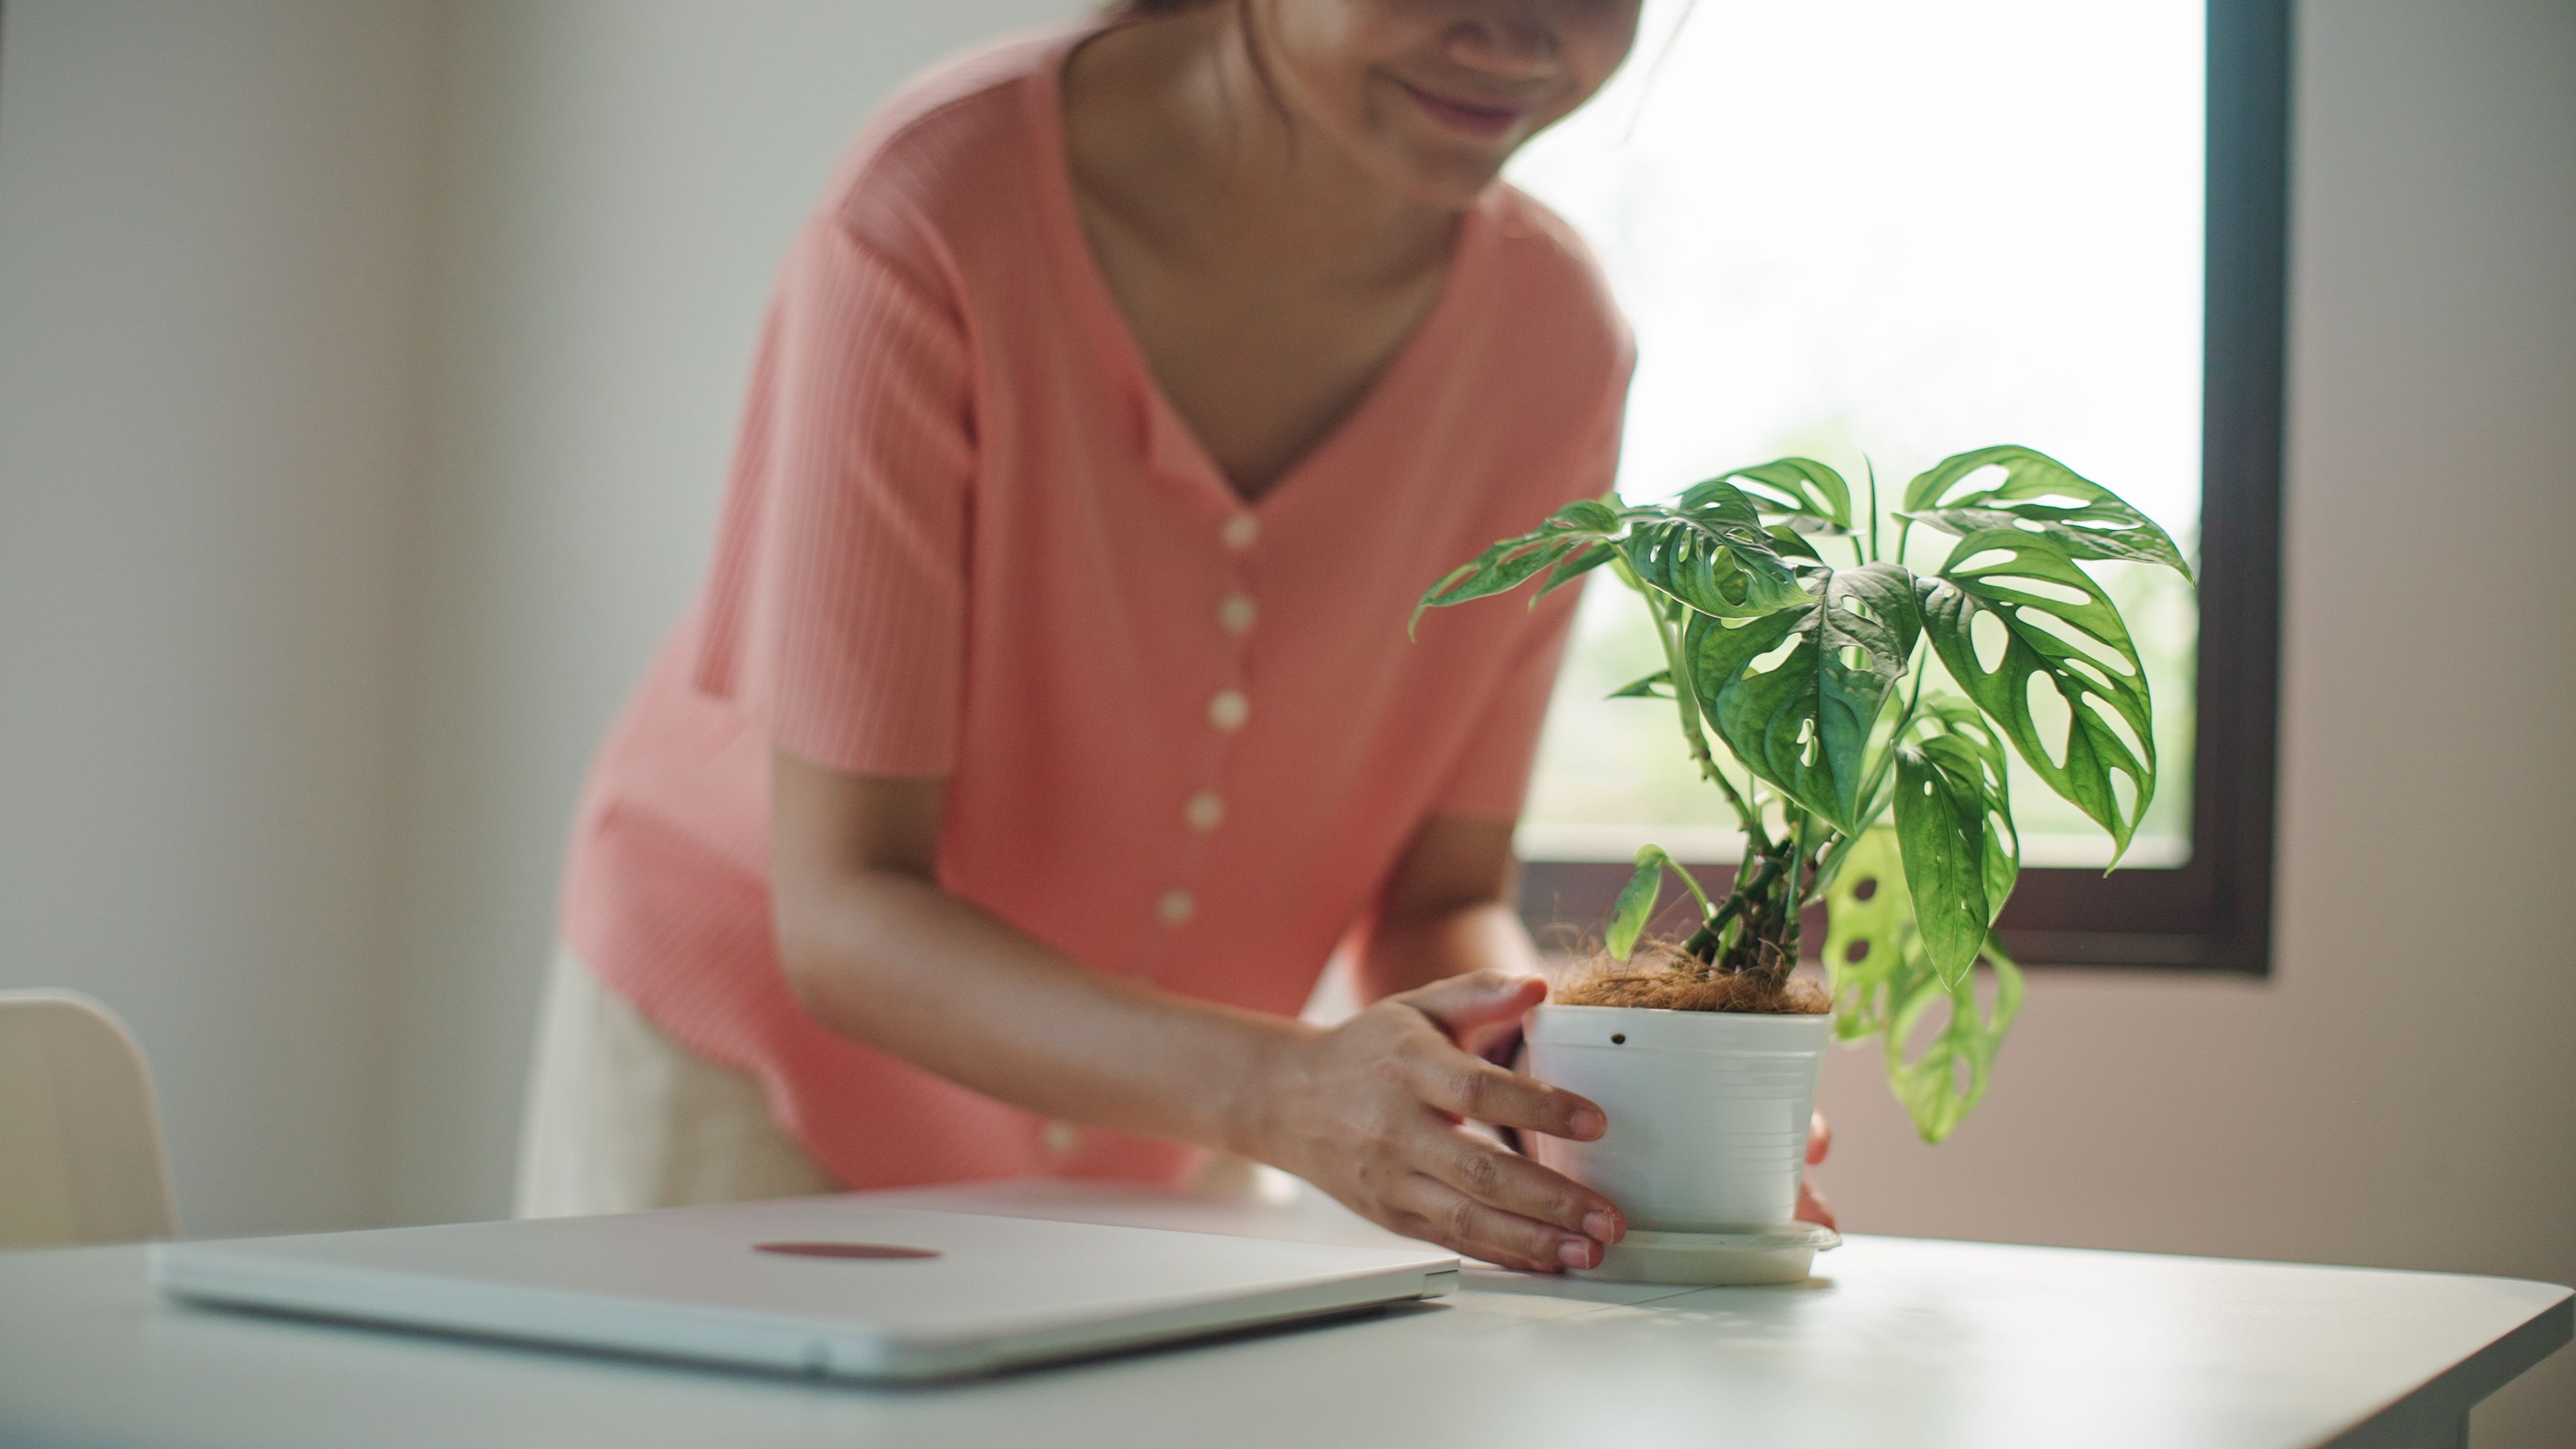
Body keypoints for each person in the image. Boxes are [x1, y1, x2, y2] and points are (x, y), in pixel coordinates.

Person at [514, 0, 1831, 1273]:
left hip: (1188, 1110)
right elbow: (846, 911)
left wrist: (1580, 1096)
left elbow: (1439, 899)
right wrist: (1281, 1093)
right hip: (764, 1076)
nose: (1523, 34)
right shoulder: (940, 205)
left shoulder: (1559, 343)